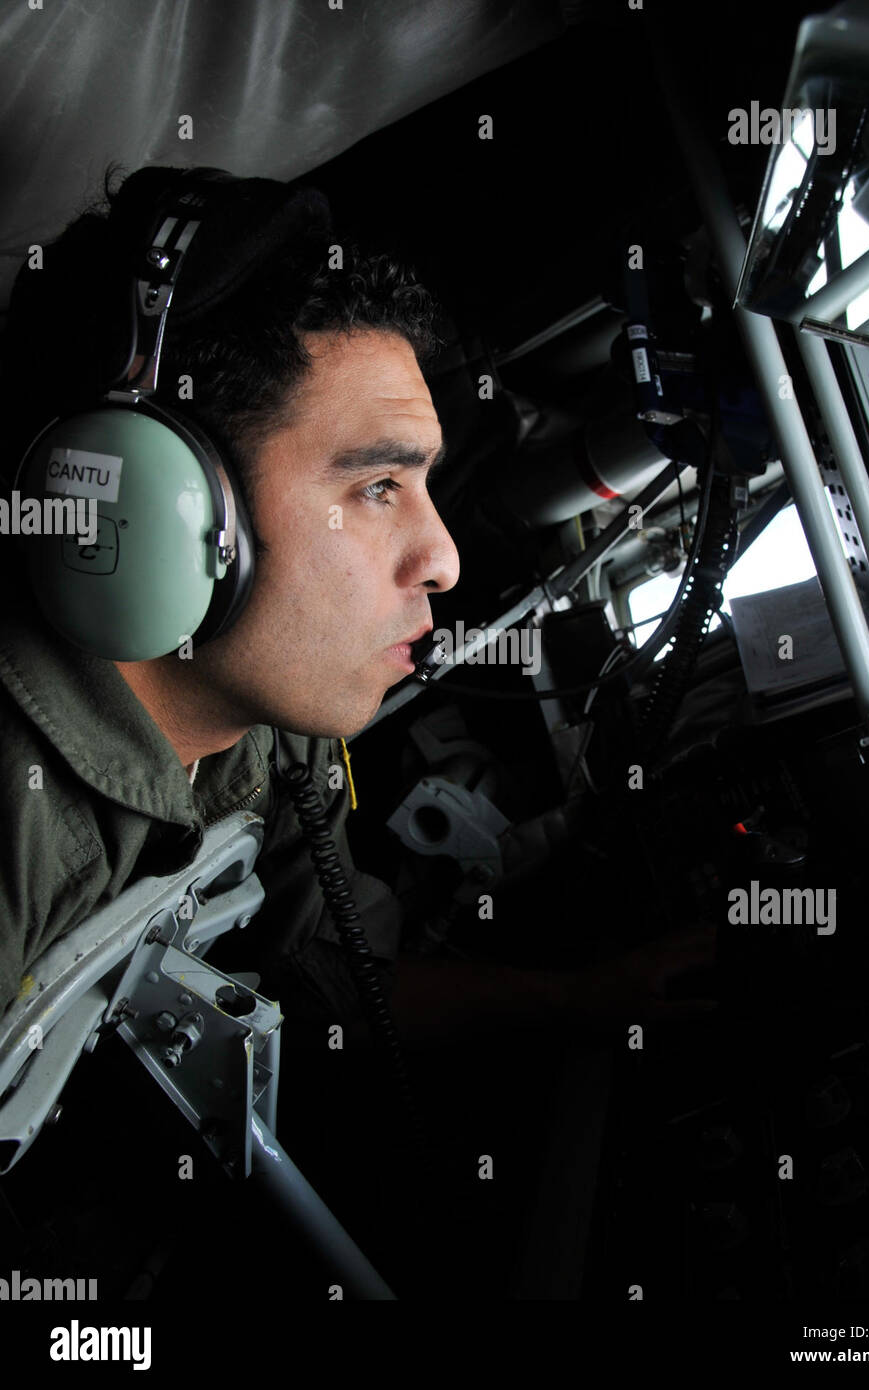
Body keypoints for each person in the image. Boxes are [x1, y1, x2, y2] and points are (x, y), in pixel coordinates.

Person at [0, 165, 716, 1058]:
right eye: (377, 486)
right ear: (151, 507)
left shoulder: (273, 723)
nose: (445, 561)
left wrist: (578, 1000)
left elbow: (319, 984)